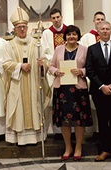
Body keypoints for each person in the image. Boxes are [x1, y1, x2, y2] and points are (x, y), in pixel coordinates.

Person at [3, 7, 51, 145]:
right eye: (19, 27)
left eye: (24, 26)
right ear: (14, 28)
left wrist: (42, 65)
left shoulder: (37, 43)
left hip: (34, 84)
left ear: (27, 27)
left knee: (35, 106)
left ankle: (36, 136)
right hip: (17, 85)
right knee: (19, 109)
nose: (22, 29)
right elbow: (5, 64)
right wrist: (19, 66)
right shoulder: (9, 45)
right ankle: (19, 137)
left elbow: (46, 61)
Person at [48, 25, 92, 161]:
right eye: (69, 34)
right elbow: (51, 65)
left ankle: (78, 146)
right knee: (64, 120)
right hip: (62, 89)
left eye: (74, 34)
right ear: (65, 36)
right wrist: (56, 71)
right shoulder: (58, 49)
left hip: (78, 89)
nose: (71, 37)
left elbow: (90, 68)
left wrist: (82, 72)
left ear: (78, 36)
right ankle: (68, 147)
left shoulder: (85, 50)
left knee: (79, 120)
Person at [85, 21, 111, 162]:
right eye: (102, 29)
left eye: (107, 29)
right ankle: (104, 150)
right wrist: (102, 86)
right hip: (99, 91)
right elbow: (90, 70)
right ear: (97, 31)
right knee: (102, 120)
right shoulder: (92, 49)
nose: (104, 31)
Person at [80, 11, 111, 136]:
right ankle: (96, 132)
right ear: (94, 21)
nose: (100, 21)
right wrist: (101, 85)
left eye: (102, 19)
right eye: (98, 19)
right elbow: (87, 64)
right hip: (95, 82)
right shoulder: (87, 38)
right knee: (99, 113)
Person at [41, 8, 68, 138]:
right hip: (53, 70)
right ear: (51, 19)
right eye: (53, 18)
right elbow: (45, 52)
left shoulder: (69, 31)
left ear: (61, 17)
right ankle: (57, 130)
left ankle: (71, 130)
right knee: (55, 99)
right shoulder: (47, 33)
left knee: (69, 98)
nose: (56, 20)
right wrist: (56, 61)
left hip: (68, 69)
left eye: (58, 17)